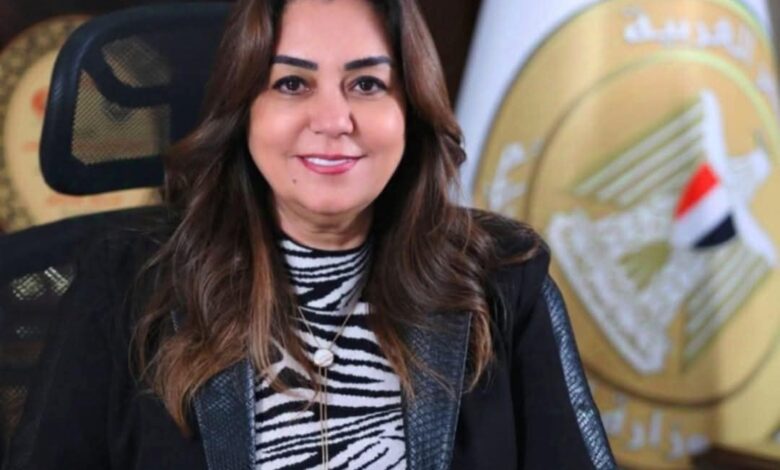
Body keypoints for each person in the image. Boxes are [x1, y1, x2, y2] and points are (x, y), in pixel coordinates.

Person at [21, 0, 613, 468]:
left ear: (411, 110)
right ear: (244, 111)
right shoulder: (126, 285)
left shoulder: (503, 282)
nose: (333, 121)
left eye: (367, 84)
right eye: (292, 84)